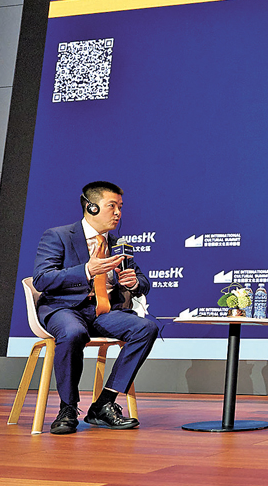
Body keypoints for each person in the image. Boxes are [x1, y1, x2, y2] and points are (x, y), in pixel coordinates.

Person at [33, 181, 158, 435]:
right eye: (112, 206)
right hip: (64, 309)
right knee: (73, 332)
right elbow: (42, 279)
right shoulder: (59, 236)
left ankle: (103, 404)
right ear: (91, 207)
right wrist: (86, 270)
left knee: (146, 328)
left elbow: (143, 282)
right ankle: (68, 408)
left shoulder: (117, 244)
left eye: (120, 207)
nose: (118, 213)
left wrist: (134, 282)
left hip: (103, 312)